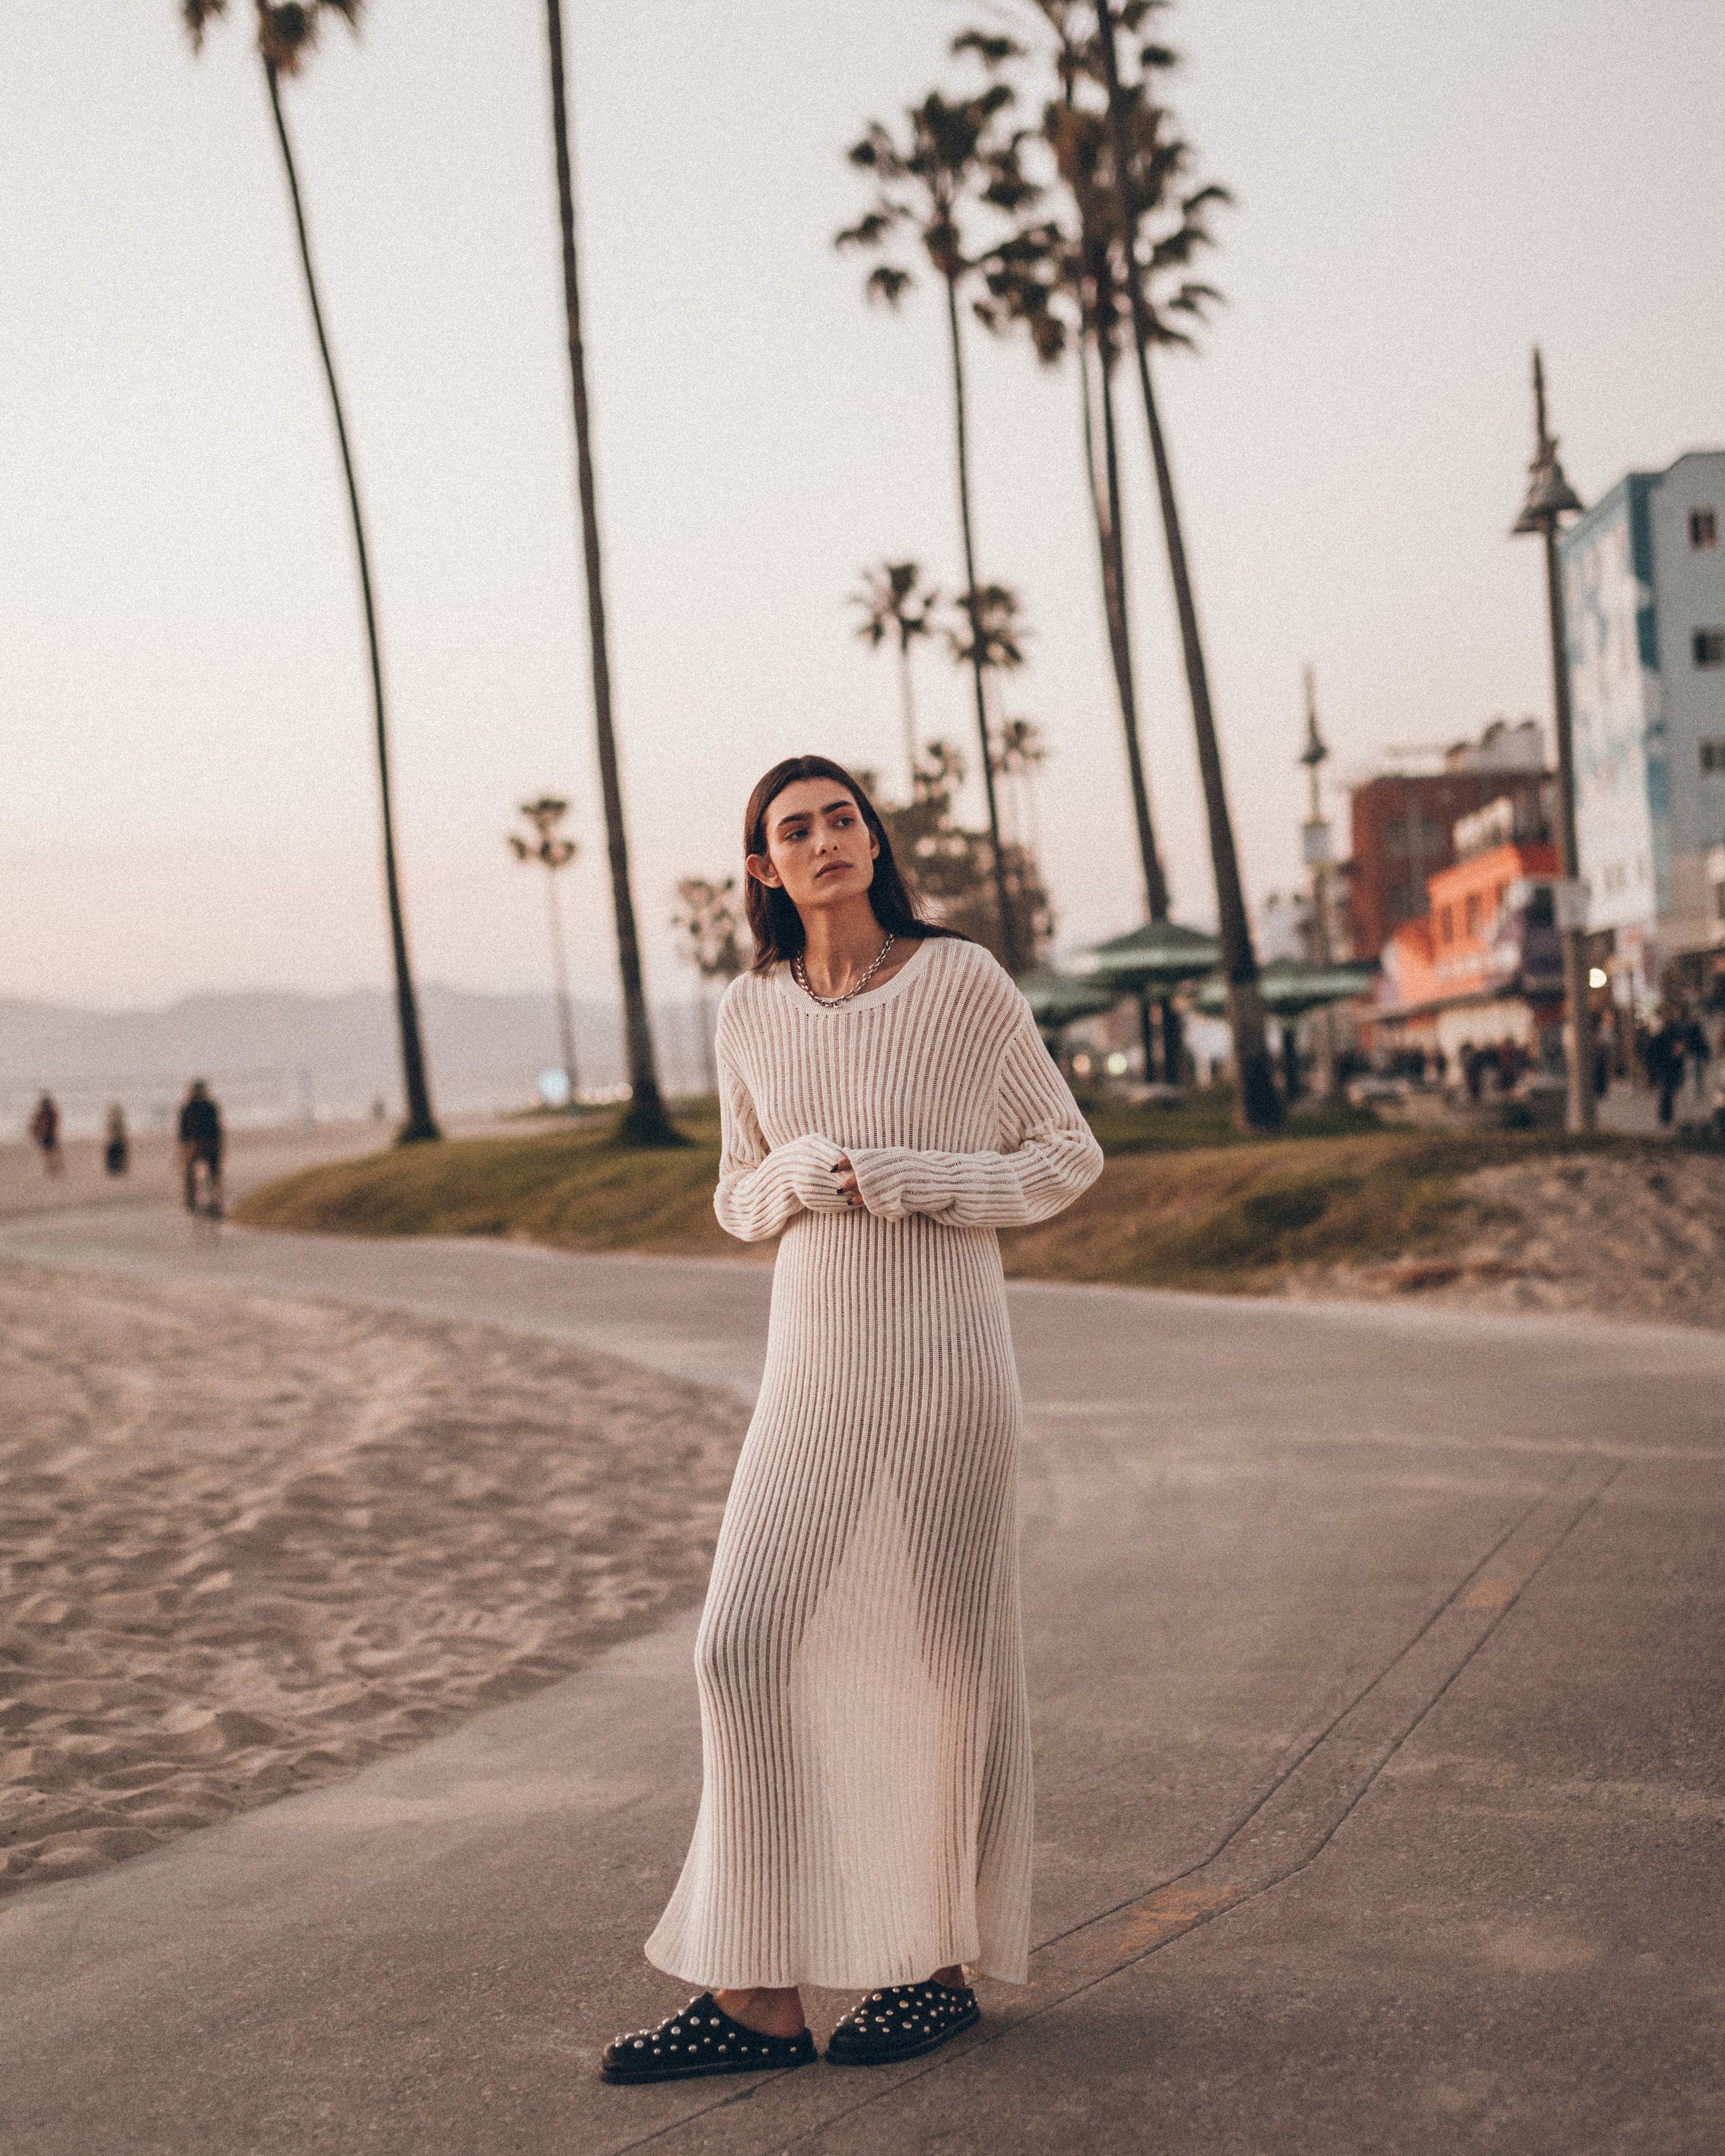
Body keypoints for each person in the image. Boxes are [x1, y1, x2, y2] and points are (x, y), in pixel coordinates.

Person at [602, 756, 1103, 2087]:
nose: (826, 840)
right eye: (794, 828)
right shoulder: (749, 1008)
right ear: (761, 869)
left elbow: (1065, 1154)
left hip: (946, 1365)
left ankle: (927, 1968)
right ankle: (755, 1994)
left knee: (941, 1665)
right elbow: (732, 1200)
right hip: (811, 1374)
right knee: (740, 1644)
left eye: (842, 818)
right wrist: (792, 1173)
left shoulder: (960, 982)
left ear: (872, 839)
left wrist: (921, 1178)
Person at [178, 1080, 224, 1215]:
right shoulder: (203, 1107)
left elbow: (183, 1132)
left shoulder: (195, 1107)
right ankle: (195, 1199)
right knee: (201, 1172)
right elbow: (183, 1131)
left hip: (204, 1144)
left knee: (209, 1172)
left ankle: (206, 1199)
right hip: (198, 1144)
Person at [28, 1093, 63, 1176]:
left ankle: (54, 1167)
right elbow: (37, 1125)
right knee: (50, 1153)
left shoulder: (47, 1114)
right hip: (47, 1135)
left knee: (50, 1152)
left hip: (48, 1135)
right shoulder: (47, 1113)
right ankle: (53, 1167)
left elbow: (40, 1125)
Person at [104, 1103, 129, 1177]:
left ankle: (118, 1168)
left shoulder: (119, 1123)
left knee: (119, 1155)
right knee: (114, 1155)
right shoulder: (113, 1122)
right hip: (114, 1143)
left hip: (118, 1142)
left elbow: (122, 1133)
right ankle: (113, 1169)